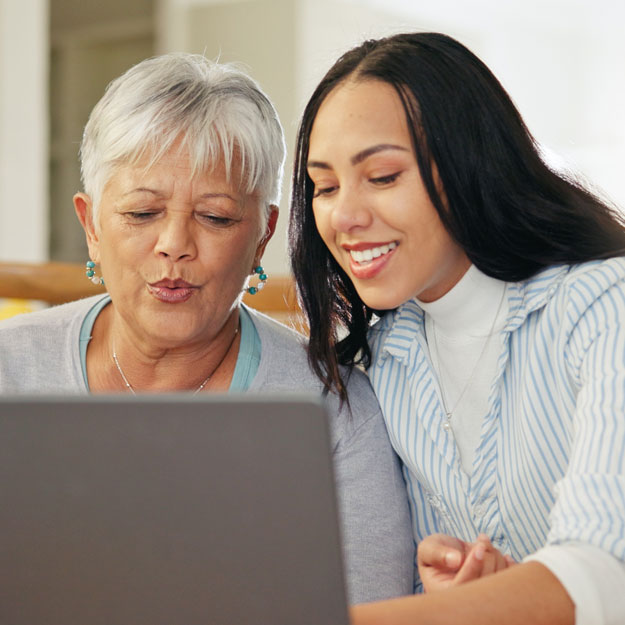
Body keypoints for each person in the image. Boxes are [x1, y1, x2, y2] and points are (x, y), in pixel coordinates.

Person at [0, 53, 415, 604]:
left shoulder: (337, 409)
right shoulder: (10, 366)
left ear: (262, 238)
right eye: (141, 213)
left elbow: (371, 606)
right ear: (91, 225)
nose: (175, 244)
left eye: (216, 217)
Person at [288, 32, 625, 624]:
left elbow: (603, 569)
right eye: (325, 186)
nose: (344, 216)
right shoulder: (385, 360)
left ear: (470, 164)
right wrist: (471, 597)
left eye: (384, 176)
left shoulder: (603, 305)